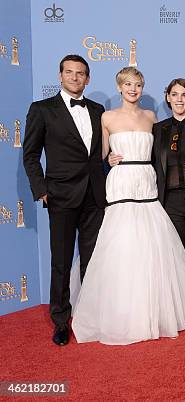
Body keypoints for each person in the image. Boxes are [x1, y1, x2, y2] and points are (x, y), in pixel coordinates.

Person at [71, 67, 185, 345]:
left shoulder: (152, 118)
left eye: (137, 84)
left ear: (142, 88)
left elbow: (161, 154)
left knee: (151, 246)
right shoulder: (107, 117)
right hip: (121, 183)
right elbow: (99, 155)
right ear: (119, 87)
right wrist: (107, 160)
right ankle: (122, 313)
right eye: (128, 84)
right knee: (121, 246)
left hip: (147, 182)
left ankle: (155, 311)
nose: (133, 89)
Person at [109, 78, 185, 333]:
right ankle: (180, 311)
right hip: (168, 203)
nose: (180, 99)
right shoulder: (157, 129)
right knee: (173, 260)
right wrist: (112, 157)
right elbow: (141, 158)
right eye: (174, 94)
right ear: (168, 98)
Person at [23, 54, 106, 346]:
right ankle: (60, 320)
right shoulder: (42, 109)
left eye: (80, 73)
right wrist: (41, 190)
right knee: (60, 262)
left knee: (93, 261)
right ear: (60, 76)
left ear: (88, 78)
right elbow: (31, 154)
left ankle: (91, 315)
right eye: (69, 72)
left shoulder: (98, 110)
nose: (75, 77)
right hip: (60, 195)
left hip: (95, 196)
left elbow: (101, 152)